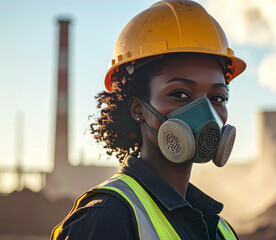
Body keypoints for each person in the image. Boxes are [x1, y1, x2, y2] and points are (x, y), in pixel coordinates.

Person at [51, 0, 246, 239]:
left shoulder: (221, 230)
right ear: (137, 108)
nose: (207, 114)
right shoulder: (107, 218)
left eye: (218, 98)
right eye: (180, 94)